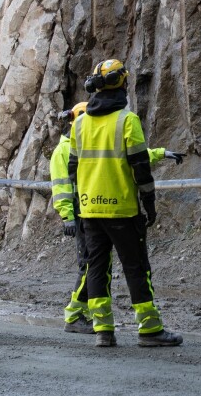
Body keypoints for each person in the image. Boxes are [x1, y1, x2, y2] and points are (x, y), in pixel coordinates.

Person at [68, 59, 183, 348]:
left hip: (90, 210)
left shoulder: (80, 124)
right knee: (135, 267)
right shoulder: (127, 120)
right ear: (122, 84)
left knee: (96, 268)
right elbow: (140, 167)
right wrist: (150, 203)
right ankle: (149, 328)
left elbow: (73, 169)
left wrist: (79, 204)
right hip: (122, 209)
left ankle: (103, 329)